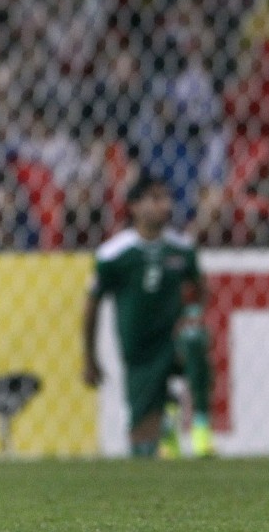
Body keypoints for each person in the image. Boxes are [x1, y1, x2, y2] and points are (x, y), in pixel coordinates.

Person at [82, 174, 216, 459]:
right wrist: (89, 358)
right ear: (133, 206)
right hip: (139, 355)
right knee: (143, 450)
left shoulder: (181, 249)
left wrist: (193, 313)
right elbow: (92, 305)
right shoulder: (114, 254)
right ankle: (167, 413)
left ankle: (201, 428)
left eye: (166, 198)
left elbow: (201, 290)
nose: (164, 205)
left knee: (194, 338)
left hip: (172, 342)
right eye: (155, 199)